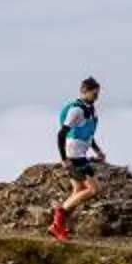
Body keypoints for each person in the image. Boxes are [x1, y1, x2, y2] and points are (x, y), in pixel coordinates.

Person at [49, 76, 105, 242]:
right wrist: (64, 158)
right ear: (84, 92)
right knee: (94, 190)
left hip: (81, 153)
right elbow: (62, 133)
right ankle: (58, 218)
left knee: (78, 191)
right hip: (74, 155)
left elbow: (88, 133)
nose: (96, 97)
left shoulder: (90, 110)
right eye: (94, 94)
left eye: (98, 94)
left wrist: (97, 150)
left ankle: (58, 227)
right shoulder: (77, 110)